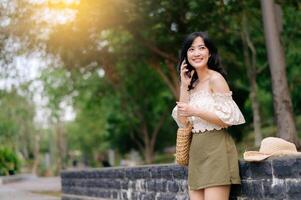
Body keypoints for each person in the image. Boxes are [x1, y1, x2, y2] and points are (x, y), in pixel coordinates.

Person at [172, 32, 245, 200]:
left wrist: (195, 111)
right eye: (191, 49)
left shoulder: (216, 79)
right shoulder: (191, 83)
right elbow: (183, 122)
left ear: (209, 52)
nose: (196, 53)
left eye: (201, 48)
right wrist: (184, 86)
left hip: (216, 149)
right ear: (186, 55)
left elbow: (228, 121)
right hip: (196, 152)